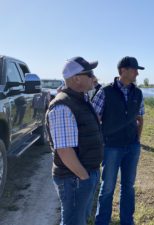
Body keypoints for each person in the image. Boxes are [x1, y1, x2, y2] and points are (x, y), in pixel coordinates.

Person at [46, 56, 104, 225]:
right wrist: (85, 178)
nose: (94, 78)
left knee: (80, 220)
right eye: (90, 73)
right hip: (75, 179)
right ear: (76, 78)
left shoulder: (80, 100)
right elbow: (65, 152)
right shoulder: (63, 106)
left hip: (83, 175)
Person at [92, 56, 145, 225]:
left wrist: (137, 139)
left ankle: (127, 221)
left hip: (132, 147)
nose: (137, 73)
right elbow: (94, 118)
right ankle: (102, 222)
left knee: (128, 188)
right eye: (135, 69)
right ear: (123, 70)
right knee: (107, 188)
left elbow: (140, 118)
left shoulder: (138, 93)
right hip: (111, 147)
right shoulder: (105, 91)